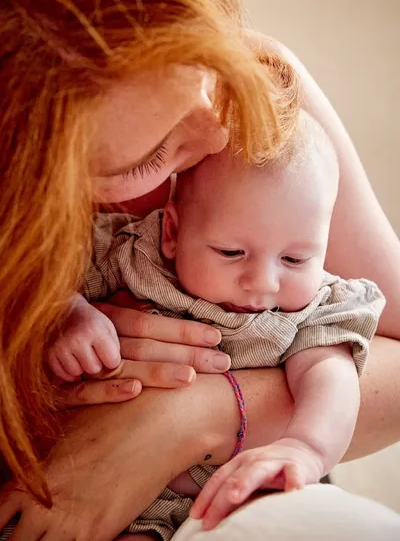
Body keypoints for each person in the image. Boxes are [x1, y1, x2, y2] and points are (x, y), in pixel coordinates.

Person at [0, 0, 400, 540]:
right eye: (155, 152)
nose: (220, 132)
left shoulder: (266, 91)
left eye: (213, 74)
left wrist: (186, 415)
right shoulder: (109, 245)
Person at [47, 113, 385, 540]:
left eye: (296, 259)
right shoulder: (134, 254)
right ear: (172, 231)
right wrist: (67, 312)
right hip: (92, 484)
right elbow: (42, 277)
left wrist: (305, 448)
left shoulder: (311, 308)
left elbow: (331, 378)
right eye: (230, 252)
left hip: (223, 496)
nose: (263, 282)